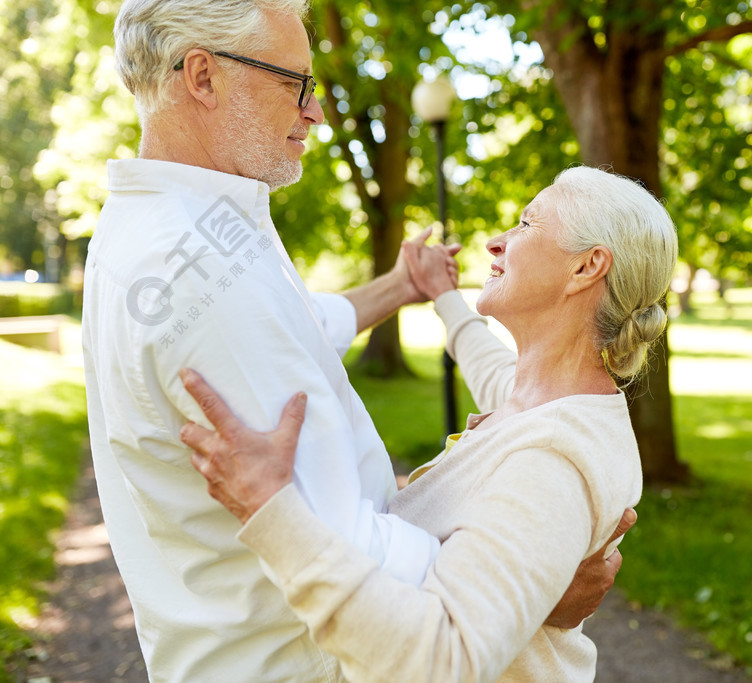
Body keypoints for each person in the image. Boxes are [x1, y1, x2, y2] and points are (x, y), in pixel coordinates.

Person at [84, 2, 626, 681]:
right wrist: (533, 582)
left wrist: (400, 287)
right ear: (202, 77)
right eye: (296, 84)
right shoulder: (200, 280)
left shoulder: (174, 226)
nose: (316, 114)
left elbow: (295, 329)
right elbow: (340, 540)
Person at [180, 165, 679, 681]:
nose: (495, 243)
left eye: (527, 225)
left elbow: (443, 661)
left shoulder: (551, 456)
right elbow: (483, 357)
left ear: (586, 267)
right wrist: (441, 294)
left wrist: (271, 510)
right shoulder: (534, 396)